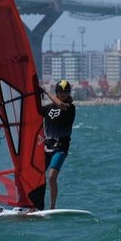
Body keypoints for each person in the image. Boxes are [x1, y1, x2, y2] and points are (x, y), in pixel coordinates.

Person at [39, 79, 77, 210]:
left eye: (66, 92)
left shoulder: (70, 108)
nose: (64, 94)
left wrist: (46, 92)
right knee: (36, 175)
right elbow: (34, 110)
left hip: (60, 148)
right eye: (61, 92)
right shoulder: (48, 108)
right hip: (47, 147)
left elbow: (61, 105)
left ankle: (52, 207)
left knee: (51, 176)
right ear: (57, 92)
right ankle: (35, 204)